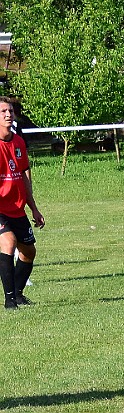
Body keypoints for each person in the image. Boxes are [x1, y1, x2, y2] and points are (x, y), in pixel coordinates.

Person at [0, 96, 44, 309]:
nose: (8, 115)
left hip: (17, 208)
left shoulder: (18, 142)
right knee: (8, 243)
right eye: (3, 112)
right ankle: (9, 301)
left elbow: (24, 173)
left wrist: (33, 208)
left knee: (28, 252)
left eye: (10, 111)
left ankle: (18, 293)